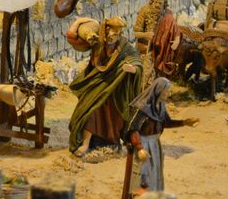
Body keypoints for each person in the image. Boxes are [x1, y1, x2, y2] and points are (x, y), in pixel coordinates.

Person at [68, 17, 143, 156]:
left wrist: (132, 69)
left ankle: (113, 141)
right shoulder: (97, 42)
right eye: (111, 32)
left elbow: (136, 61)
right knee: (90, 109)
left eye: (116, 33)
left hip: (115, 88)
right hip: (97, 83)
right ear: (105, 31)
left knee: (114, 114)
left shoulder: (124, 47)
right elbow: (72, 37)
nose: (113, 36)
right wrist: (79, 22)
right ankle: (85, 143)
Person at [124, 77, 198, 196]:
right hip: (142, 144)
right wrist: (139, 147)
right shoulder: (142, 107)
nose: (168, 94)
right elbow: (132, 129)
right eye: (166, 91)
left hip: (155, 144)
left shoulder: (160, 106)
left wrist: (184, 122)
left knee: (154, 175)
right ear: (158, 90)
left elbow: (165, 122)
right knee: (141, 177)